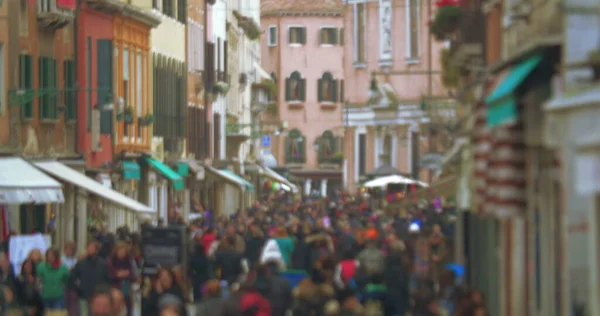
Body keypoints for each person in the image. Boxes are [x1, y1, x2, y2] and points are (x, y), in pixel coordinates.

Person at [69, 241, 110, 316]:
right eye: (88, 247)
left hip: (97, 296)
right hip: (83, 294)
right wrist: (77, 286)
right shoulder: (81, 263)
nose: (89, 249)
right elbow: (72, 278)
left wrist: (104, 292)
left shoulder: (102, 264)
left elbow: (107, 280)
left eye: (92, 248)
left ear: (97, 250)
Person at [107, 241, 136, 316]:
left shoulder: (129, 261)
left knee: (127, 296)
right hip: (114, 285)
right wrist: (120, 274)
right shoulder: (111, 261)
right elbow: (110, 275)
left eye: (123, 251)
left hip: (126, 285)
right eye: (120, 251)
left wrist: (121, 274)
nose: (122, 253)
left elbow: (133, 275)